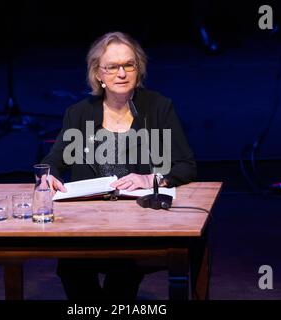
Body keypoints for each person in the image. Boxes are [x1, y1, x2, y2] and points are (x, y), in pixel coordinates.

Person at [41, 31, 197, 300]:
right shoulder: (78, 113)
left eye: (129, 65)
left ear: (138, 69)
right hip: (87, 224)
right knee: (71, 268)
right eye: (112, 67)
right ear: (98, 75)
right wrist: (48, 176)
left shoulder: (158, 107)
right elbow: (54, 160)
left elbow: (186, 165)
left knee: (125, 271)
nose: (122, 73)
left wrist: (152, 179)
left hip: (137, 223)